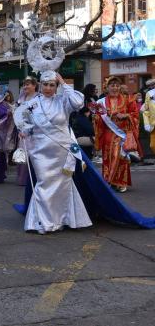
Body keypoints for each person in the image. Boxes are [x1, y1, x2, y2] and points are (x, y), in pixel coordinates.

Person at [14, 72, 92, 234]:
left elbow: (78, 102)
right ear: (40, 85)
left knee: (63, 185)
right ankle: (44, 222)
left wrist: (63, 81)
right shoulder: (31, 104)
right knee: (44, 183)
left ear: (57, 87)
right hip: (40, 151)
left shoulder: (63, 101)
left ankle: (65, 218)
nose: (48, 88)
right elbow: (27, 124)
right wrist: (24, 131)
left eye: (52, 85)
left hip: (61, 149)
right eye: (45, 84)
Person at [93, 77, 140, 193]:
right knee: (107, 158)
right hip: (108, 135)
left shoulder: (128, 100)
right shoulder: (101, 102)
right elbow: (97, 120)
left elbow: (135, 115)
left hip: (122, 135)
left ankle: (120, 182)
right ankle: (108, 181)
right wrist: (96, 117)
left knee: (121, 158)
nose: (115, 88)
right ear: (107, 87)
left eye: (117, 85)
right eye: (112, 85)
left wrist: (126, 116)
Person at [15, 77, 38, 185]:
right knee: (22, 154)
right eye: (24, 84)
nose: (25, 87)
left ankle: (34, 178)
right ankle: (23, 179)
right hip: (22, 129)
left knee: (33, 154)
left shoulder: (38, 98)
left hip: (34, 130)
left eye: (28, 84)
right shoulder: (21, 99)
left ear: (34, 85)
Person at [141, 78, 155, 155]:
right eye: (151, 85)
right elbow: (146, 110)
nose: (152, 86)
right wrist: (147, 123)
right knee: (153, 146)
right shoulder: (148, 94)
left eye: (154, 84)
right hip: (153, 125)